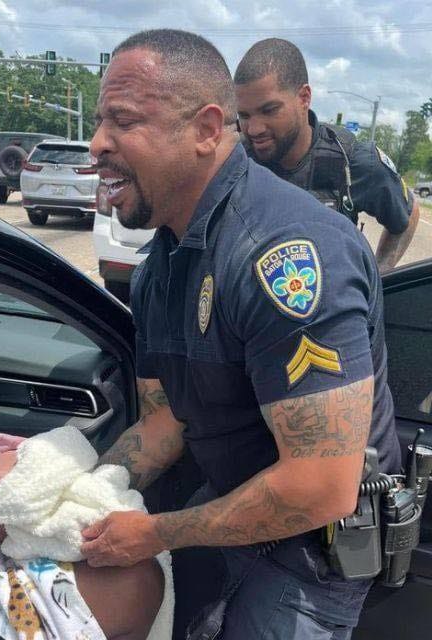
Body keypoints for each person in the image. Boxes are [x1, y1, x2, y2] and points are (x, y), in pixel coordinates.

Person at [78, 28, 402, 640]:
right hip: (223, 515)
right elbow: (165, 420)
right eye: (100, 121)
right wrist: (65, 495)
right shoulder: (158, 269)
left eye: (123, 120)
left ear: (205, 129)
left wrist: (154, 534)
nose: (97, 144)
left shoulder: (286, 256)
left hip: (310, 559)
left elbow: (321, 486)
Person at [0, 429, 167, 640]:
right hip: (76, 529)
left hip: (92, 501)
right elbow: (22, 508)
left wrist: (22, 444)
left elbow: (61, 450)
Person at [234, 38, 420, 273]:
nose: (254, 129)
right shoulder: (235, 160)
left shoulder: (351, 161)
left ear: (304, 97)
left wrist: (381, 275)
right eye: (244, 115)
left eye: (269, 110)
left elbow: (407, 214)